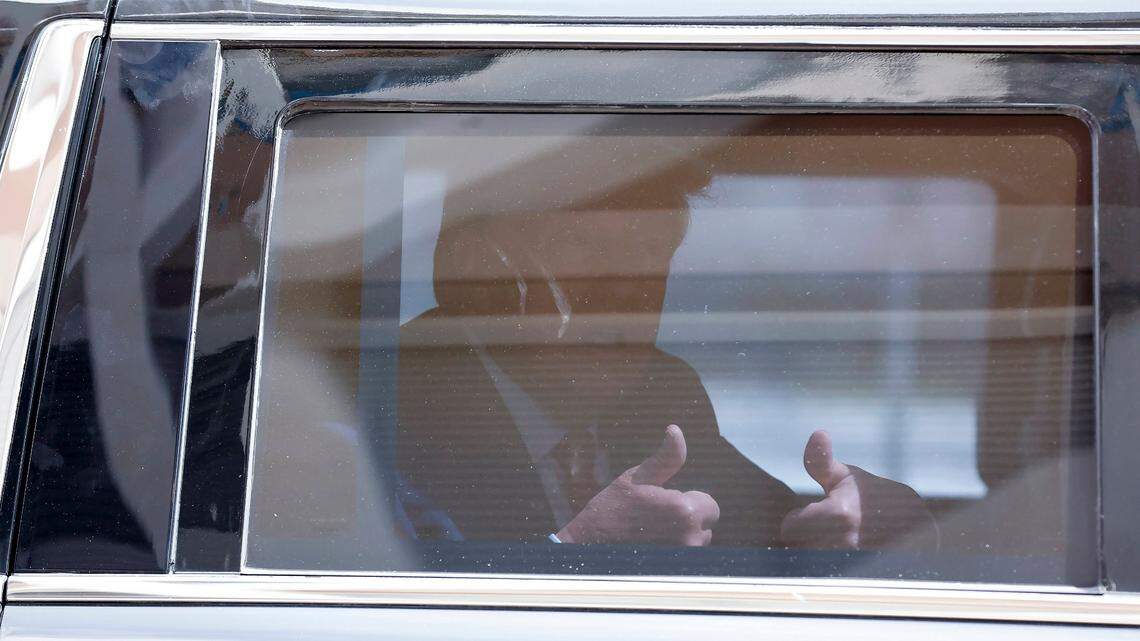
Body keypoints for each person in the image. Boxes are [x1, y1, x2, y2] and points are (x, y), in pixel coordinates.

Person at [394, 132, 937, 550]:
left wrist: (875, 521)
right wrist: (578, 553)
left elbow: (784, 531)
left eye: (651, 264)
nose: (631, 299)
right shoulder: (382, 404)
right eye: (590, 262)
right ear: (479, 271)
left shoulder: (659, 392)